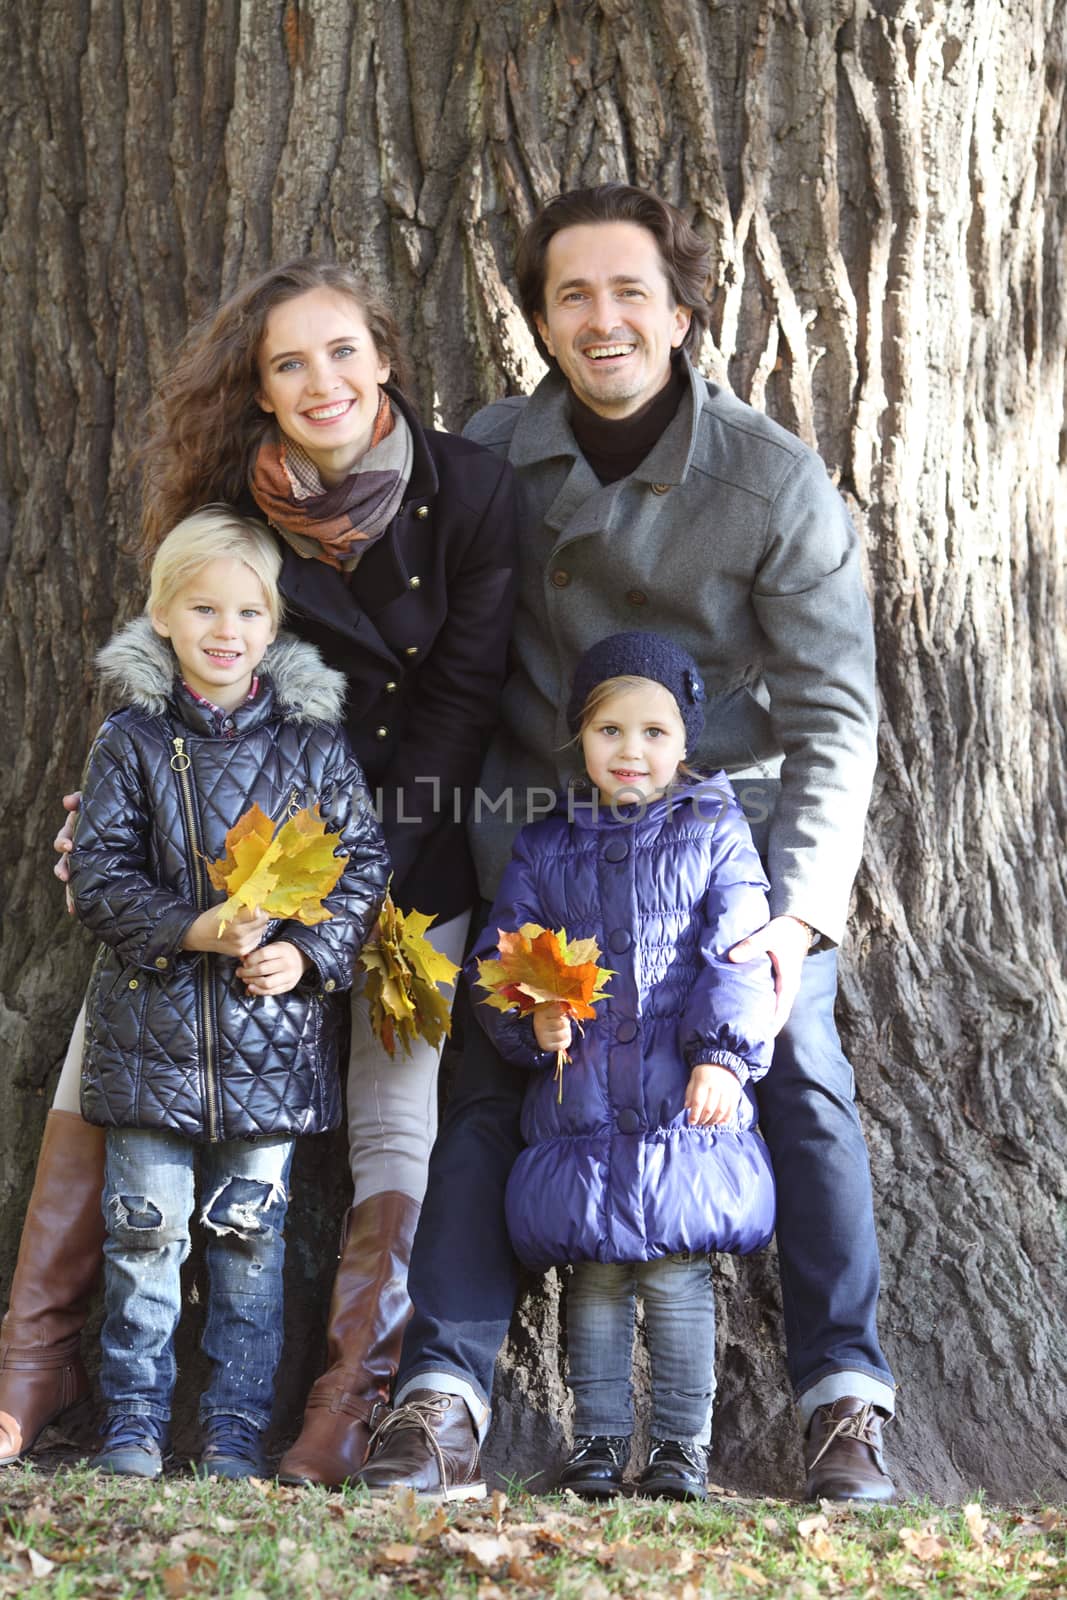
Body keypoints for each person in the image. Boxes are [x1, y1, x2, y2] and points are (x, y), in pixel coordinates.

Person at [355, 183, 897, 1504]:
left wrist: (793, 918)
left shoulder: (764, 477)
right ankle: (442, 1396)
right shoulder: (482, 456)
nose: (602, 320)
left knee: (801, 1068)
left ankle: (843, 1398)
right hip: (540, 846)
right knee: (487, 1093)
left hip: (728, 861)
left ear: (682, 309)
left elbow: (835, 709)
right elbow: (399, 653)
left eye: (629, 291)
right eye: (570, 296)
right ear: (539, 319)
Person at [0, 259, 517, 1484]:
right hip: (221, 849)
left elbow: (459, 697)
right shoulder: (237, 502)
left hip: (400, 850)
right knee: (110, 1049)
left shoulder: (472, 491)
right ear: (261, 390)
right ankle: (34, 1359)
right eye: (288, 362)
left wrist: (336, 886)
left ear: (384, 356)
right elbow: (175, 678)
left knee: (400, 1109)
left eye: (341, 351)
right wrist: (136, 818)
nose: (320, 380)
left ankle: (352, 1397)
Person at [66, 509, 389, 1477]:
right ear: (163, 615)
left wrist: (310, 953)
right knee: (144, 1234)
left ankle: (234, 1429)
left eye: (248, 611)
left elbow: (360, 864)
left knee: (250, 1244)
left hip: (268, 1043)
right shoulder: (130, 740)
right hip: (150, 1034)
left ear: (273, 622)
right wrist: (191, 928)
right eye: (203, 607)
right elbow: (99, 872)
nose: (226, 630)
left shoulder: (311, 745)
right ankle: (132, 1419)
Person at [477, 634, 776, 1500]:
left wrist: (722, 1056)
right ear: (581, 739)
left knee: (678, 1277)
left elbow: (738, 952)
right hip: (579, 1112)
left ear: (685, 741)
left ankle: (682, 1446)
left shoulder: (714, 829)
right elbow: (508, 955)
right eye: (610, 730)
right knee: (595, 1279)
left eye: (653, 732)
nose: (631, 751)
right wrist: (532, 1025)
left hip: (680, 1100)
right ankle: (599, 1442)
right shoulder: (545, 844)